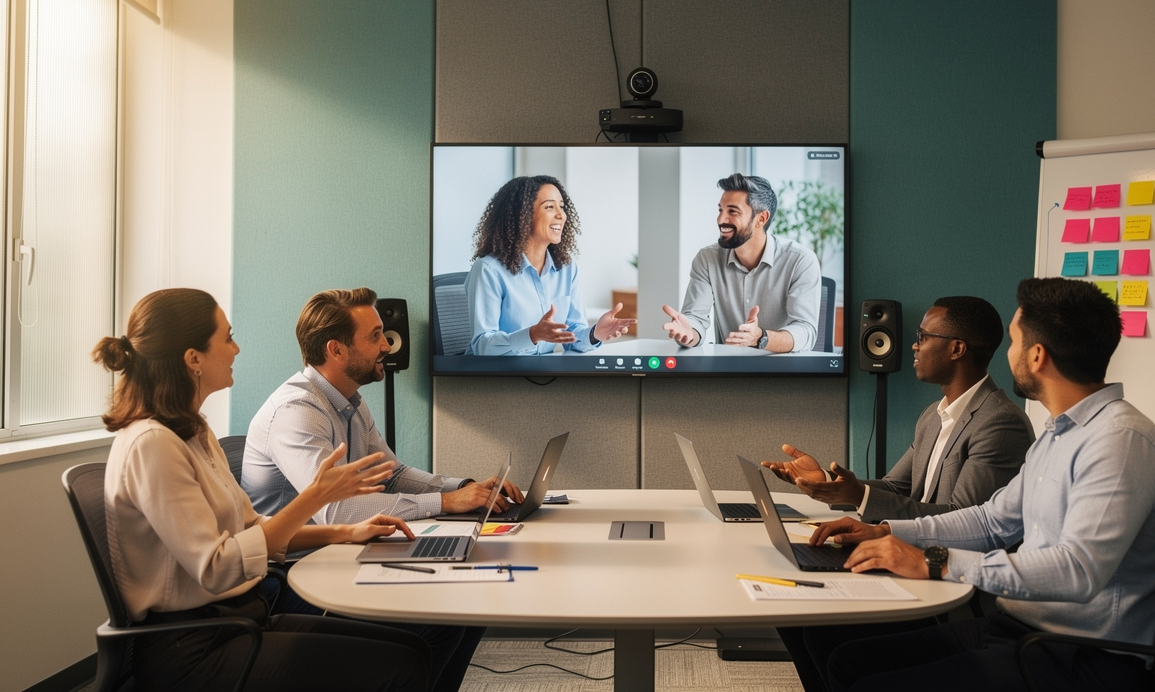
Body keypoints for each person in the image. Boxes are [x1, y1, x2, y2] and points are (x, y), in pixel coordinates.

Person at [816, 277, 1155, 692]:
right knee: (846, 660)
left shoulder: (1120, 441)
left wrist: (935, 561)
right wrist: (886, 531)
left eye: (1013, 342)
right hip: (1021, 629)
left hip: (1081, 656)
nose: (1007, 354)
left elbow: (1077, 570)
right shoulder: (1060, 433)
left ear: (1037, 356)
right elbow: (993, 522)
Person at [95, 288, 432, 692]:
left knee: (414, 650)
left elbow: (253, 528)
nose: (236, 348)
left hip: (242, 618)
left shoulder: (193, 431)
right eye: (227, 337)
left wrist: (345, 532)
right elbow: (218, 567)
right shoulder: (151, 444)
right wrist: (315, 497)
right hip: (195, 648)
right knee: (402, 666)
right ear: (193, 359)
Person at [241, 287, 520, 692]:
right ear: (336, 350)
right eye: (374, 336)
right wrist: (444, 502)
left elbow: (392, 473)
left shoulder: (350, 401)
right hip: (292, 579)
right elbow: (338, 511)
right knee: (440, 618)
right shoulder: (296, 413)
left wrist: (465, 488)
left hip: (344, 554)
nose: (387, 344)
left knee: (469, 600)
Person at [764, 296, 1034, 692]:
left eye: (924, 336)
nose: (914, 345)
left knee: (824, 632)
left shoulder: (1000, 424)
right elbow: (896, 487)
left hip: (949, 590)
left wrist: (870, 511)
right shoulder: (934, 415)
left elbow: (960, 516)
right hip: (911, 560)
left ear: (957, 348)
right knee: (795, 614)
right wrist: (832, 485)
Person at [465, 175, 635, 355]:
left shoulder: (567, 269)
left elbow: (572, 334)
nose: (561, 215)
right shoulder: (489, 270)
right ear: (522, 215)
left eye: (561, 207)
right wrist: (531, 335)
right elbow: (482, 346)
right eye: (549, 207)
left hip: (542, 375)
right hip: (496, 378)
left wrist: (595, 334)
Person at [661, 173, 821, 352]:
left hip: (783, 371)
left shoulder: (800, 260)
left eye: (732, 211)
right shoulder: (707, 259)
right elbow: (695, 321)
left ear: (761, 218)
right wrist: (689, 333)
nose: (721, 220)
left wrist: (760, 338)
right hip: (728, 372)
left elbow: (805, 332)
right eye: (720, 210)